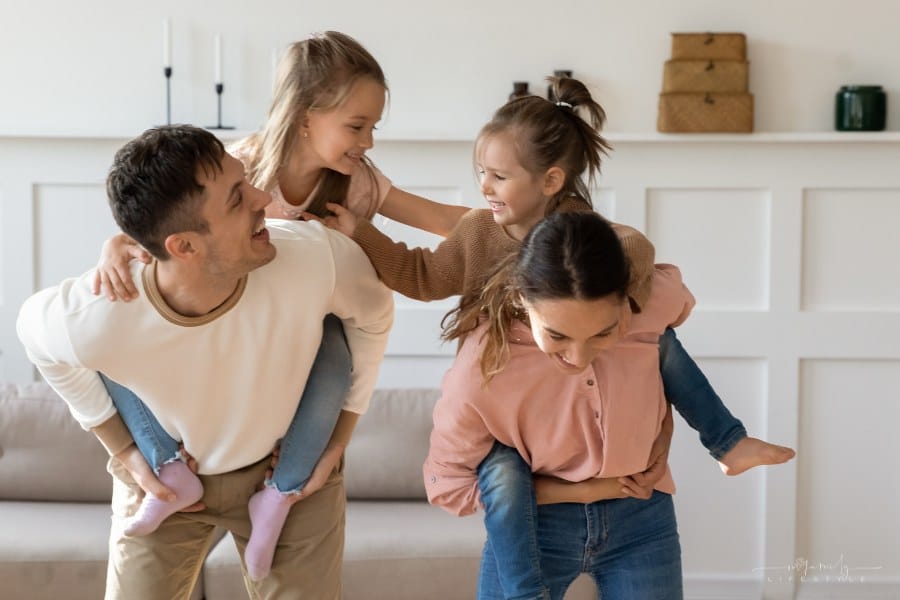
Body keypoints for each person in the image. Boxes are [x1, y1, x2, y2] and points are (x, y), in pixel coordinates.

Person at [313, 77, 795, 598]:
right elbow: (421, 276)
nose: (485, 186)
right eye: (482, 173)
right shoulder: (479, 232)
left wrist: (622, 300)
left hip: (637, 510)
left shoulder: (579, 227)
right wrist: (362, 229)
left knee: (659, 342)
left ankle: (727, 439)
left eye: (498, 176)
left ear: (550, 181)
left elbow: (634, 244)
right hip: (513, 420)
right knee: (504, 472)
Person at [89, 31, 468, 580]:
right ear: (307, 116)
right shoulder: (237, 171)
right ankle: (166, 467)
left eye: (373, 127)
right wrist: (110, 246)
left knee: (338, 358)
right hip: (228, 337)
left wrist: (525, 218)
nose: (368, 141)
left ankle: (281, 491)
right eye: (357, 126)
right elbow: (158, 229)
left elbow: (444, 220)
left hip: (310, 340)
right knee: (113, 352)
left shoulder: (355, 183)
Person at [16, 124, 394, 599]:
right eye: (237, 198)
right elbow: (36, 337)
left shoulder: (313, 257)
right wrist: (125, 452)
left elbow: (374, 316)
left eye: (246, 181)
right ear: (184, 246)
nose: (263, 198)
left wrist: (337, 442)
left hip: (291, 477)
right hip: (168, 485)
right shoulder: (103, 310)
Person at [427, 210, 692, 599]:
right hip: (535, 530)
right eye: (557, 335)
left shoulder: (648, 306)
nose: (578, 355)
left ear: (627, 297)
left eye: (603, 332)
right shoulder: (480, 369)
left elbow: (674, 295)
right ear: (522, 299)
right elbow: (445, 486)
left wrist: (663, 428)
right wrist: (571, 493)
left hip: (642, 520)